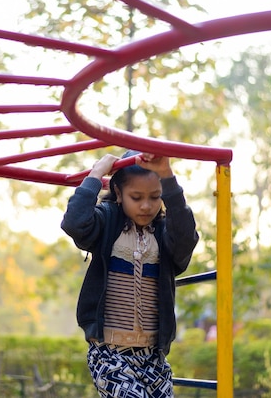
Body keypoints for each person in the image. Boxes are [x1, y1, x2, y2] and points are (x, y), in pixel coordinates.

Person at [61, 150, 199, 397]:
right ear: (119, 194)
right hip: (109, 353)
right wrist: (97, 173)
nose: (146, 206)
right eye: (136, 197)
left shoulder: (163, 233)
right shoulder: (107, 224)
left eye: (155, 197)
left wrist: (167, 175)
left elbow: (186, 237)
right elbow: (74, 222)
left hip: (151, 356)